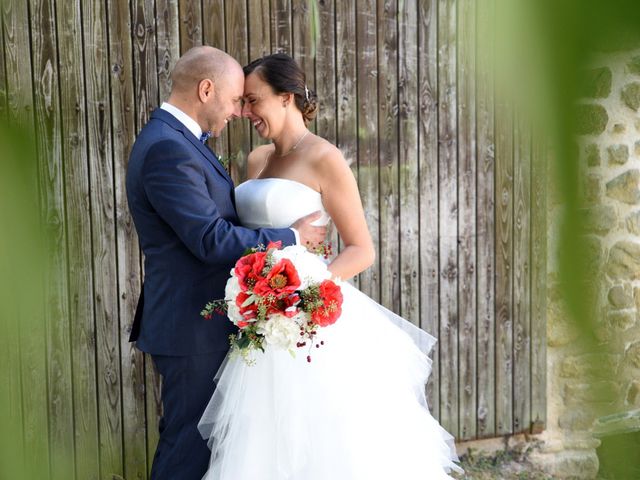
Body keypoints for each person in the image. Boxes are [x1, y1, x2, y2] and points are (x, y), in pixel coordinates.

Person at [198, 53, 462, 479]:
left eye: (253, 100)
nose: (245, 112)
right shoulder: (256, 160)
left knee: (323, 442)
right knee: (265, 442)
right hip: (260, 320)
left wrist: (301, 294)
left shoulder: (324, 158)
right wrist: (261, 296)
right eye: (242, 103)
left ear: (286, 97)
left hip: (307, 320)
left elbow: (361, 248)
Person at [125, 46, 327, 480]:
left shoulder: (178, 142)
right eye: (236, 100)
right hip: (189, 327)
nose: (239, 111)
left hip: (205, 323)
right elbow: (209, 239)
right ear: (206, 89)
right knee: (188, 449)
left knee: (208, 447)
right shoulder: (167, 149)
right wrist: (292, 237)